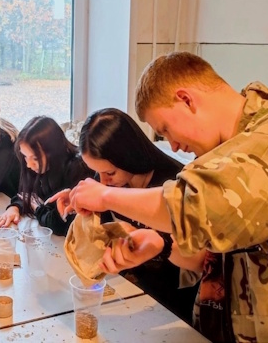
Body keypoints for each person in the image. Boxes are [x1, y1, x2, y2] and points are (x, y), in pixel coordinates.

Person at [57, 52, 268, 342]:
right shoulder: (233, 152)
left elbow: (194, 206)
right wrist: (160, 245)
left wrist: (106, 196)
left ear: (186, 100)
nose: (173, 146)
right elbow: (214, 255)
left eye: (165, 129)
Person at [73, 108, 202, 323]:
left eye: (110, 173)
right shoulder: (111, 180)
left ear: (128, 156)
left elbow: (198, 263)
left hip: (170, 306)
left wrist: (159, 243)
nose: (103, 182)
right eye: (97, 172)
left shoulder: (174, 187)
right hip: (126, 291)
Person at [0, 116, 93, 236]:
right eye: (25, 156)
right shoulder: (37, 166)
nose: (28, 164)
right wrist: (15, 207)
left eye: (35, 158)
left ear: (54, 151)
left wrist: (37, 209)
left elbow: (61, 224)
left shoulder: (78, 169)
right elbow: (26, 194)